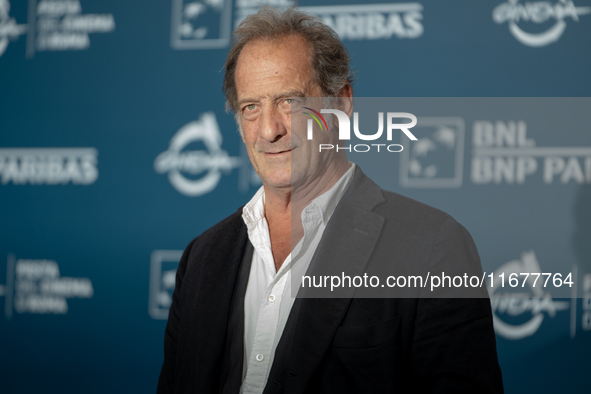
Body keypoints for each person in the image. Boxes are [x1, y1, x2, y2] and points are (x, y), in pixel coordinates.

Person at [158, 6, 503, 394]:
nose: (269, 129)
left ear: (341, 104)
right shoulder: (203, 257)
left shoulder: (431, 245)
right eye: (251, 107)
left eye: (289, 101)